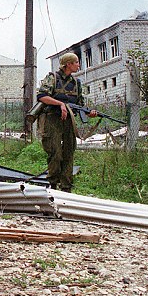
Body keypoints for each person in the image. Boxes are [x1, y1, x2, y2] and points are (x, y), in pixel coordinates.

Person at [37, 52, 96, 192]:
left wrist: (89, 112)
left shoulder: (76, 82)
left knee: (69, 152)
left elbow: (80, 103)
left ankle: (66, 187)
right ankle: (52, 184)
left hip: (69, 121)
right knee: (55, 153)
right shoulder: (53, 78)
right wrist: (60, 104)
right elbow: (42, 96)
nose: (78, 65)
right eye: (76, 62)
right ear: (68, 64)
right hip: (52, 119)